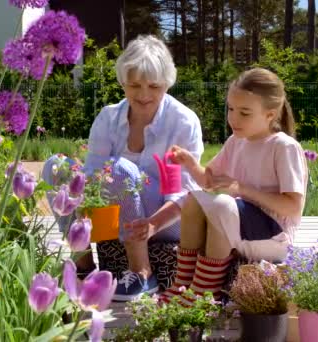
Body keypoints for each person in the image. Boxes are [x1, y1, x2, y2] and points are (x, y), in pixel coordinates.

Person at [42, 35, 203, 301]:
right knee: (56, 166)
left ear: (167, 83)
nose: (143, 94)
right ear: (122, 82)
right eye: (135, 85)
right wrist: (81, 205)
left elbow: (184, 194)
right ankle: (83, 265)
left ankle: (141, 272)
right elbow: (93, 177)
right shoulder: (108, 117)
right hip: (114, 213)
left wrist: (152, 225)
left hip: (168, 217)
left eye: (154, 86)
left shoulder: (183, 121)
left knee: (119, 169)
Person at [160, 67, 308, 306]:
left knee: (221, 205)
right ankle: (183, 283)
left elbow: (292, 207)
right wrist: (189, 163)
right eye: (230, 109)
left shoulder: (283, 147)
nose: (233, 118)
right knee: (194, 198)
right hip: (240, 222)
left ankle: (207, 291)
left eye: (245, 113)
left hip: (274, 236)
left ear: (270, 115)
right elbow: (208, 181)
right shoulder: (235, 142)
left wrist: (242, 189)